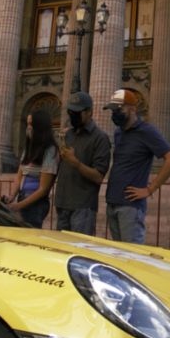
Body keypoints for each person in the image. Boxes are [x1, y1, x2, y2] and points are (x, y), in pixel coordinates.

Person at [104, 88, 170, 244]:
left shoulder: (147, 131)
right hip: (112, 202)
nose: (114, 114)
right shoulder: (119, 133)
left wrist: (150, 189)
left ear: (132, 109)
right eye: (113, 110)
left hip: (130, 206)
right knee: (117, 253)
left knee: (132, 253)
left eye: (118, 109)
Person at [55, 92, 111, 236]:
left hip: (83, 206)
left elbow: (98, 176)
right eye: (70, 112)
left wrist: (76, 163)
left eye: (76, 112)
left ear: (89, 112)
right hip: (62, 203)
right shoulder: (67, 135)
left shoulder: (100, 138)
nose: (72, 116)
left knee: (79, 245)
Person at [7, 110, 58, 228]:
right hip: (22, 197)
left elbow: (43, 189)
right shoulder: (29, 148)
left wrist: (19, 206)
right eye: (27, 124)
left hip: (36, 203)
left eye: (31, 124)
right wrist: (11, 196)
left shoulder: (50, 150)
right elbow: (19, 175)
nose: (28, 128)